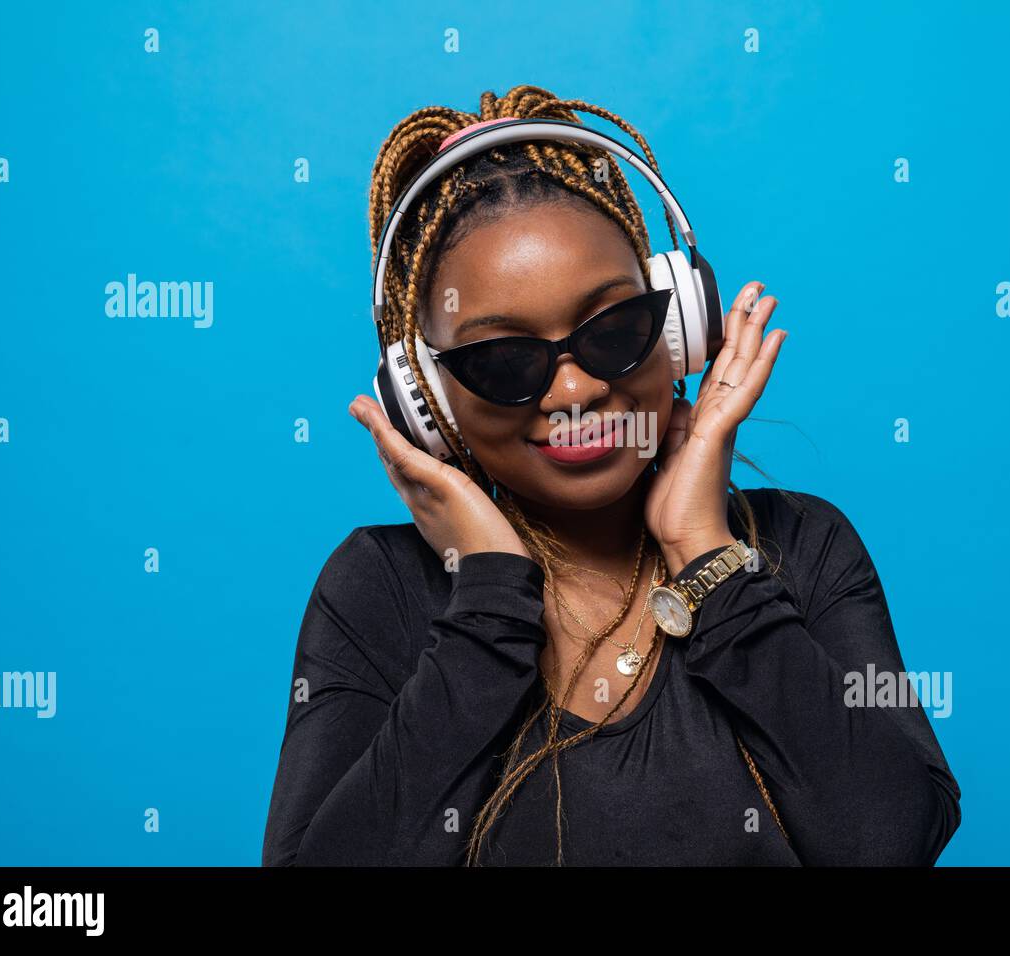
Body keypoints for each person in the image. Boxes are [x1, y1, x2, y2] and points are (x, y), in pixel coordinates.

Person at [261, 85, 962, 866]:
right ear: (427, 400)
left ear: (681, 327)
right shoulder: (379, 590)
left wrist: (705, 554)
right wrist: (490, 597)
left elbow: (893, 841)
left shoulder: (804, 545)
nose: (574, 392)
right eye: (503, 360)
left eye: (615, 329)